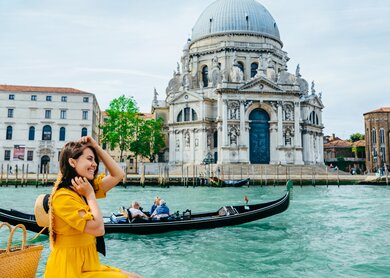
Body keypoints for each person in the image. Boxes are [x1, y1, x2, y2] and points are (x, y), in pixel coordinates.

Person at [44, 136, 140, 278]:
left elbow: (118, 174)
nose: (94, 164)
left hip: (88, 265)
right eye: (89, 159)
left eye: (95, 160)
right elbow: (98, 229)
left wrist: (96, 147)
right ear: (72, 162)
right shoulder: (63, 197)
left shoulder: (82, 189)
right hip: (69, 269)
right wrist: (90, 195)